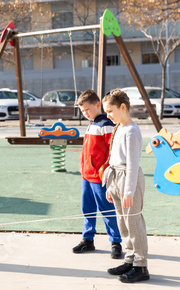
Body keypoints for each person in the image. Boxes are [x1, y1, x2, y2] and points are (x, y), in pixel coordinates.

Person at [102, 89, 149, 283]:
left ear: (123, 107)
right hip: (116, 177)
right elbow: (114, 159)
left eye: (110, 111)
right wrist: (110, 187)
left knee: (133, 223)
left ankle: (141, 265)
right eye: (106, 112)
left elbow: (132, 163)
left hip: (129, 179)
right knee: (122, 222)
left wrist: (128, 190)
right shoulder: (119, 127)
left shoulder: (131, 130)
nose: (108, 115)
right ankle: (130, 259)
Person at [73, 89, 122, 258]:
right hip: (87, 176)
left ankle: (116, 241)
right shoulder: (92, 124)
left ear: (97, 105)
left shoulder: (106, 124)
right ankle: (88, 240)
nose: (85, 113)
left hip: (100, 177)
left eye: (87, 109)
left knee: (107, 209)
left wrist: (107, 171)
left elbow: (112, 151)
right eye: (82, 111)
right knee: (87, 208)